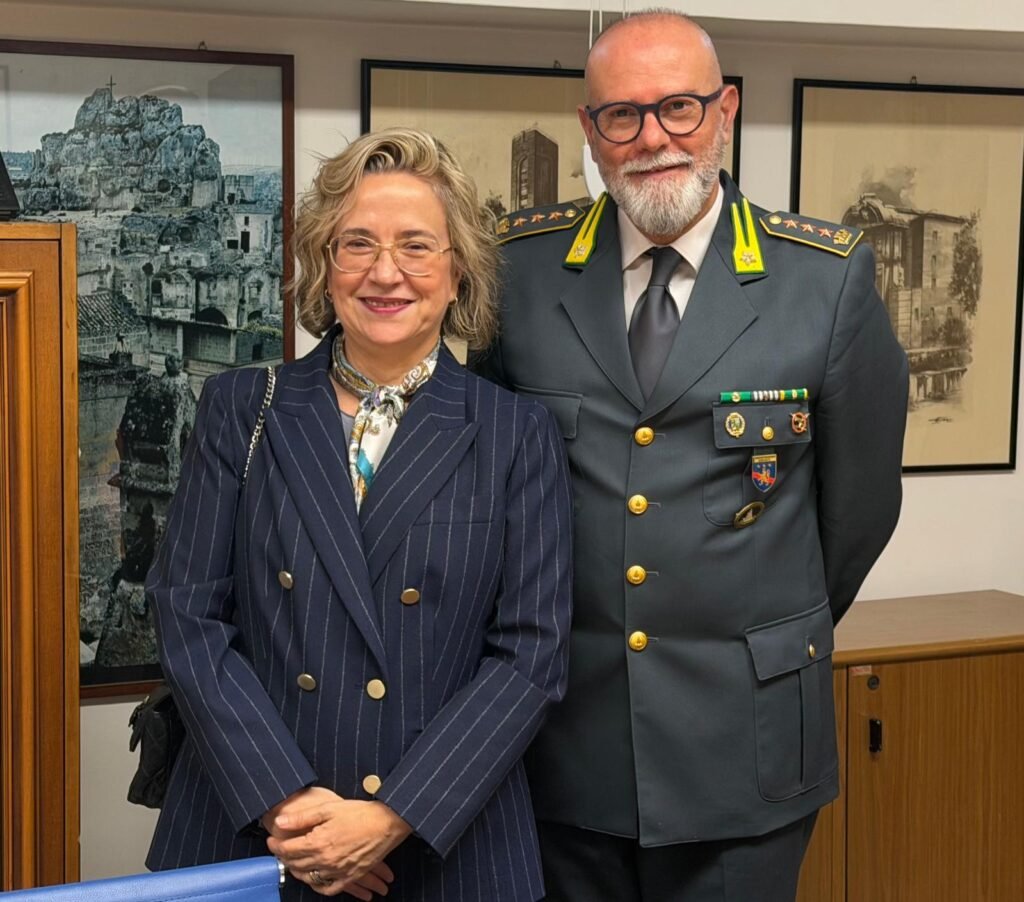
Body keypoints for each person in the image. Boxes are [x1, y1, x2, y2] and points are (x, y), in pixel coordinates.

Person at [473, 10, 908, 902]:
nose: (653, 138)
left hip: (746, 741)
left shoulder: (824, 280)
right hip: (566, 744)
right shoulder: (521, 271)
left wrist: (757, 628)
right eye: (622, 115)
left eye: (679, 107)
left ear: (726, 110)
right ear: (591, 130)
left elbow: (858, 514)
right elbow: (486, 490)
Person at [145, 127, 573, 901]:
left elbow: (531, 654)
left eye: (416, 246)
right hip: (258, 827)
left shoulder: (516, 433)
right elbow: (187, 615)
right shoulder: (240, 409)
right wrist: (291, 806)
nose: (385, 272)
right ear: (324, 263)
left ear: (458, 273)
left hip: (443, 842)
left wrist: (391, 817)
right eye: (358, 244)